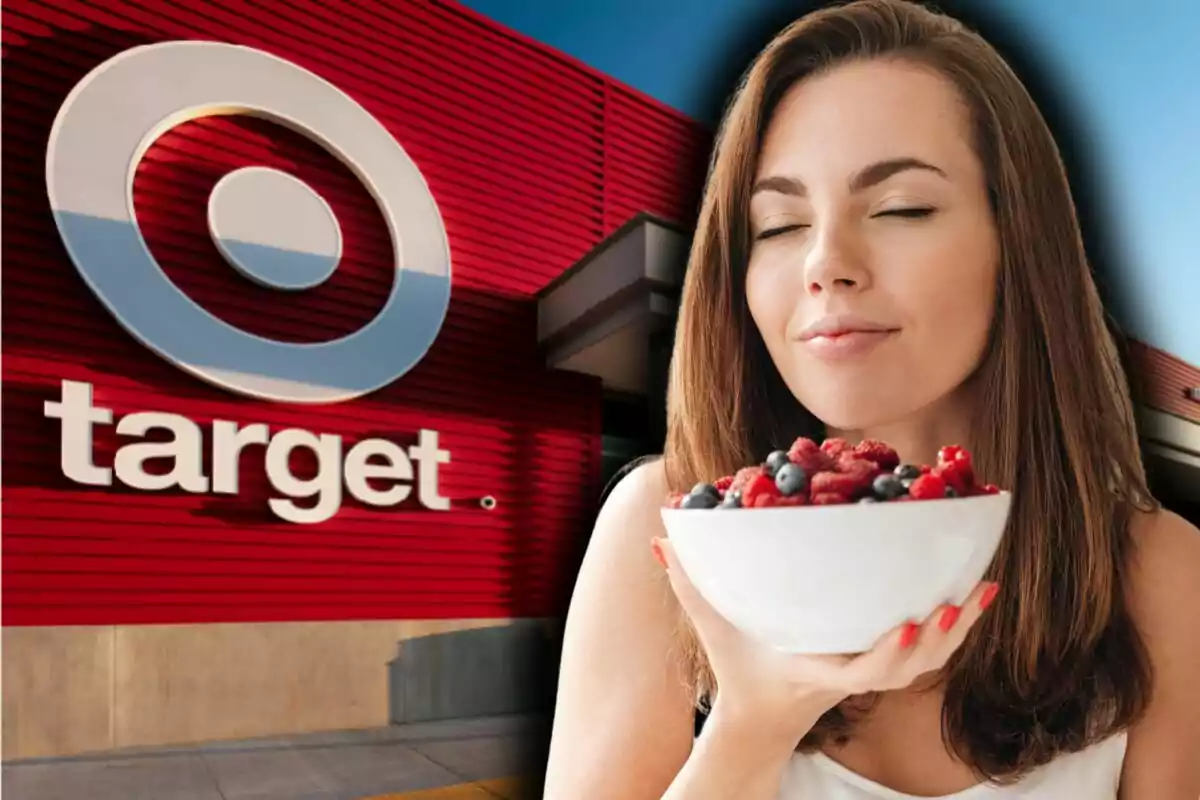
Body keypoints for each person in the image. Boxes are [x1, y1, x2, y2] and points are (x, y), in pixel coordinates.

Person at [541, 0, 1200, 797]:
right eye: (777, 225)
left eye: (899, 209)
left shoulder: (1158, 569)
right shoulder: (665, 529)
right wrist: (753, 725)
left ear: (1019, 243)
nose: (825, 263)